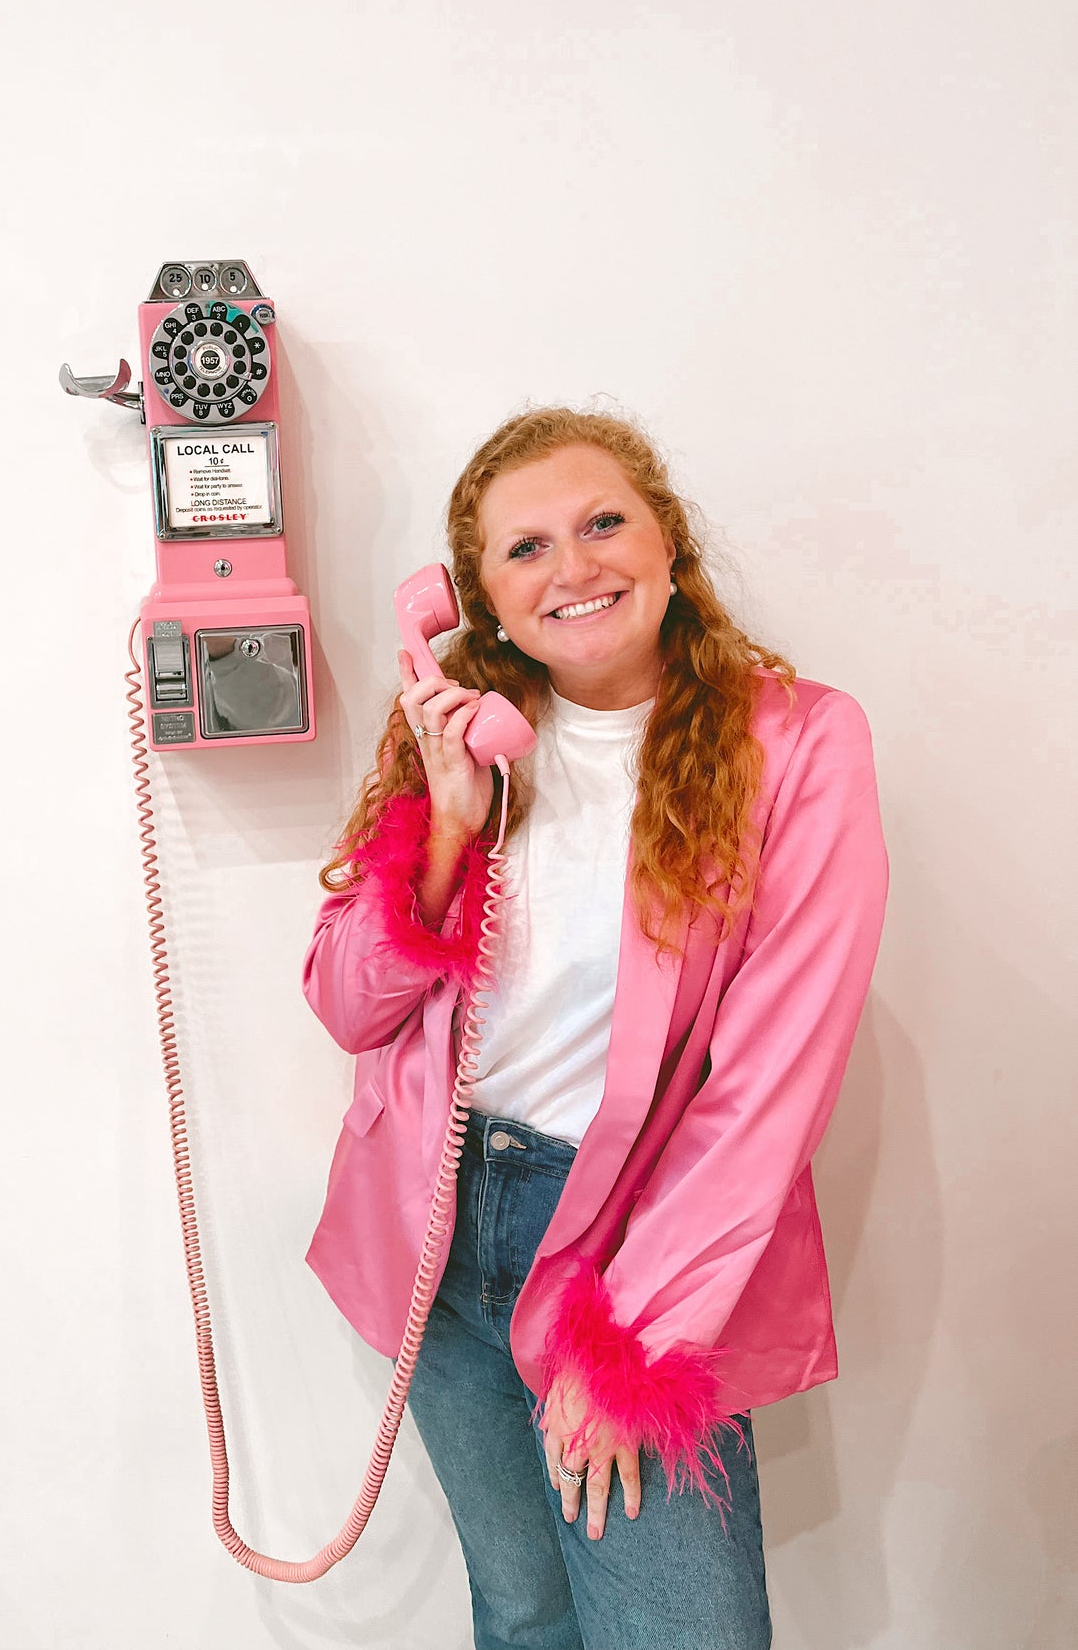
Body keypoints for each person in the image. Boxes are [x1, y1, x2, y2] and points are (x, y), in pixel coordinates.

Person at [301, 407, 889, 1650]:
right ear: (478, 605)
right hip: (442, 1233)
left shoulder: (795, 742)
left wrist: (635, 1338)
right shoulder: (467, 741)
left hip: (625, 1247)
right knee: (523, 1618)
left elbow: (771, 1080)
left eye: (601, 522)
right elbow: (349, 1004)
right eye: (524, 551)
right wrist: (448, 827)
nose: (571, 569)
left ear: (667, 544)